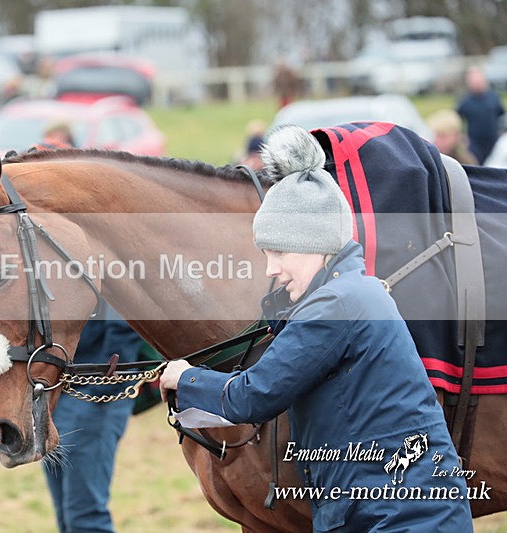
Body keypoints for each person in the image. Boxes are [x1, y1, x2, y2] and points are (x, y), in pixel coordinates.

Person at [159, 126, 474, 532]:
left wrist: (185, 377)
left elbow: (254, 397)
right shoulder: (347, 294)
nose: (271, 268)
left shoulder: (336, 305)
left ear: (316, 243)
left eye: (280, 252)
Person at [43, 303, 143, 533]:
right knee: (66, 514)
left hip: (92, 394)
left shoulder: (107, 268)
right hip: (58, 393)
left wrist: (101, 389)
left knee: (85, 518)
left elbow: (125, 322)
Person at [456, 66, 504, 164]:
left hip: (493, 141)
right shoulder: (465, 101)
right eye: (474, 82)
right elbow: (457, 119)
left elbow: (501, 115)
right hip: (475, 144)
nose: (477, 84)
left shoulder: (493, 97)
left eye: (479, 81)